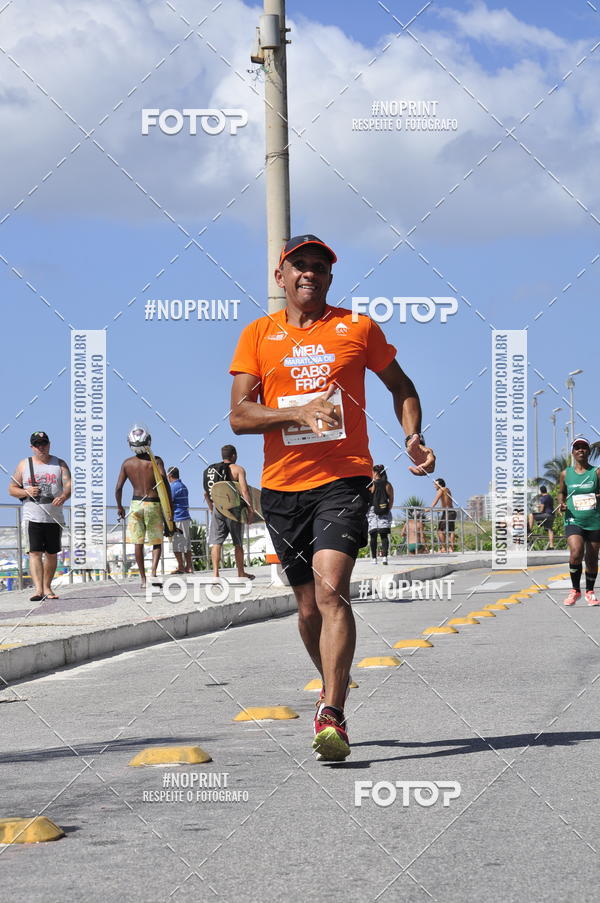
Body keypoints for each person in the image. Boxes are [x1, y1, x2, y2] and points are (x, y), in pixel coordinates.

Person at [229, 233, 435, 761]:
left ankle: (333, 712)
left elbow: (402, 385)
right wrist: (296, 413)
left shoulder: (357, 329)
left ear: (329, 279)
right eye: (299, 266)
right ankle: (331, 682)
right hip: (280, 488)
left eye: (319, 267)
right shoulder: (258, 334)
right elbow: (240, 415)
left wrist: (412, 437)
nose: (309, 274)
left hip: (343, 480)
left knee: (331, 591)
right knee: (305, 609)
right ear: (281, 276)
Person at [9, 431, 71, 601]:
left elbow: (68, 485)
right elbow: (12, 489)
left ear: (49, 444)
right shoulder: (24, 465)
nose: (41, 447)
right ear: (32, 447)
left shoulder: (60, 464)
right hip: (32, 515)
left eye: (44, 443)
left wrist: (64, 496)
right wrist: (25, 491)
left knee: (51, 553)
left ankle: (47, 587)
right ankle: (38, 590)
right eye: (37, 444)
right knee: (34, 552)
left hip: (54, 516)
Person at [115, 425, 173, 590]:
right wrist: (170, 507)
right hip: (153, 503)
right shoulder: (156, 461)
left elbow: (118, 488)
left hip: (136, 504)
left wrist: (120, 507)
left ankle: (142, 579)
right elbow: (163, 482)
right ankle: (153, 574)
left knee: (137, 542)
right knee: (156, 541)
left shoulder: (127, 463)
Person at [203, 445, 254, 581]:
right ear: (234, 455)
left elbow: (206, 493)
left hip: (217, 509)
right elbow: (244, 491)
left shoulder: (210, 471)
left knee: (216, 542)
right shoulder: (238, 469)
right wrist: (250, 509)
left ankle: (215, 574)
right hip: (233, 510)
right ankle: (241, 573)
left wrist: (211, 507)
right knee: (238, 543)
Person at [559, 438, 600, 606]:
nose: (581, 450)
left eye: (584, 447)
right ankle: (575, 590)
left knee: (591, 558)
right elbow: (561, 492)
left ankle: (590, 591)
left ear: (589, 452)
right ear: (573, 452)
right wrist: (561, 503)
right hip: (573, 519)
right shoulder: (565, 474)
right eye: (577, 447)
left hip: (594, 520)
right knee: (576, 551)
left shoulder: (596, 472)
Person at [167, 467, 193, 574]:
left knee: (176, 543)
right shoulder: (183, 486)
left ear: (170, 476)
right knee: (186, 543)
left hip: (178, 518)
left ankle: (181, 566)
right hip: (186, 517)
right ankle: (189, 567)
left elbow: (169, 502)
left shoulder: (173, 487)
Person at [367, 465, 393, 564]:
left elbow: (369, 496)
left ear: (375, 473)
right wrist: (387, 509)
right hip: (384, 510)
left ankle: (374, 558)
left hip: (373, 510)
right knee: (384, 535)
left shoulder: (372, 484)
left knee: (373, 535)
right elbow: (391, 499)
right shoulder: (388, 484)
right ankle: (385, 557)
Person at [431, 477, 457, 553]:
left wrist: (429, 509)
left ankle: (443, 548)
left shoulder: (441, 489)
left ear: (440, 484)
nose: (434, 486)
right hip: (451, 512)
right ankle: (451, 548)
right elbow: (446, 503)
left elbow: (435, 501)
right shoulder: (447, 489)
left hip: (448, 513)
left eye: (435, 484)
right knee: (451, 531)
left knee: (440, 530)